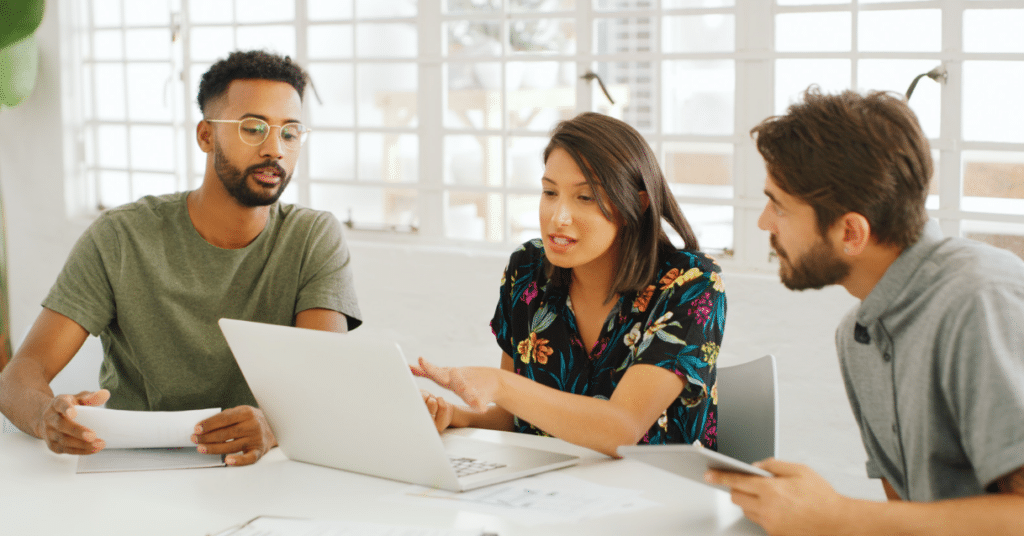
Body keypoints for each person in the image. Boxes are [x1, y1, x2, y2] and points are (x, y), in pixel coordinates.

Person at [0, 50, 362, 467]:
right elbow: (19, 376)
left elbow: (323, 380)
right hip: (131, 469)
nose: (274, 150)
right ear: (206, 135)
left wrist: (276, 426)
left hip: (259, 469)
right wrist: (46, 417)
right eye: (253, 129)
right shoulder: (122, 236)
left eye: (290, 133)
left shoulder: (313, 237)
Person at [705, 88, 1024, 534]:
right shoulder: (858, 334)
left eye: (778, 205)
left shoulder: (981, 300)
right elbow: (902, 511)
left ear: (851, 232)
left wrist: (836, 515)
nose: (763, 222)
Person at [413, 112, 725, 458]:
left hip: (667, 499)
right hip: (551, 491)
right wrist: (456, 415)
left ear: (634, 205)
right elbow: (517, 417)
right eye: (549, 192)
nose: (558, 217)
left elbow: (621, 429)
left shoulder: (690, 285)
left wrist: (499, 384)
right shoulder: (528, 271)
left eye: (585, 198)